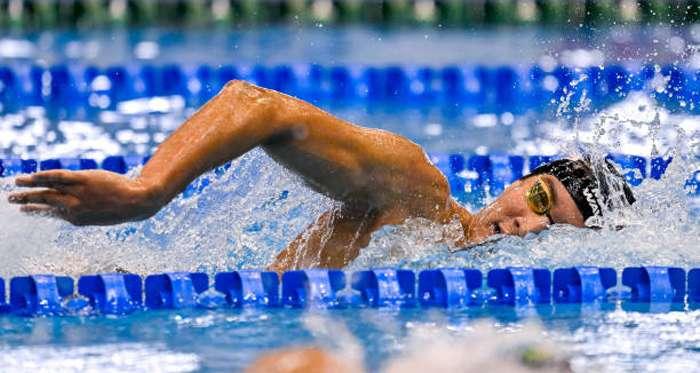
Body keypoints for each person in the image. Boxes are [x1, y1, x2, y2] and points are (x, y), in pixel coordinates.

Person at [7, 81, 636, 271]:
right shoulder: (421, 197)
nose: (524, 225)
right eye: (538, 197)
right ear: (521, 177)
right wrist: (148, 191)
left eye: (551, 230)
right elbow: (259, 106)